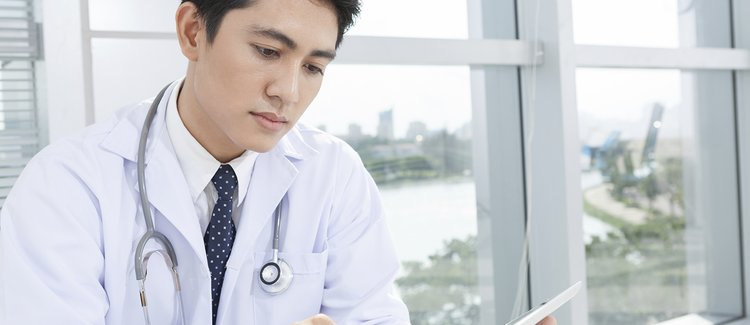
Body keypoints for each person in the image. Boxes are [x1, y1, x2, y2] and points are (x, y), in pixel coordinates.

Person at [0, 1, 557, 324]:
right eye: (268, 51)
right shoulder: (70, 186)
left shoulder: (333, 176)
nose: (288, 91)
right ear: (194, 31)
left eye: (314, 66)